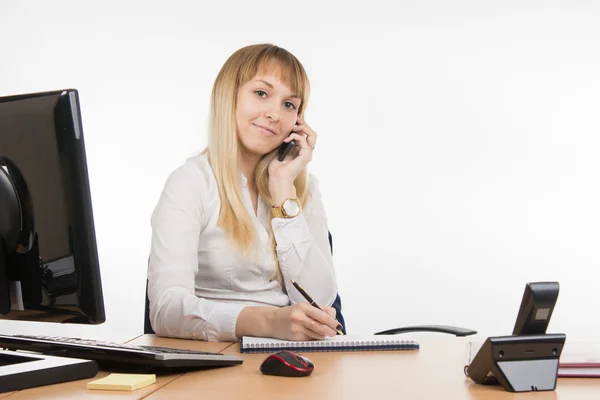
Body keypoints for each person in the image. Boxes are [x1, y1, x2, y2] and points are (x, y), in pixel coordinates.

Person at [147, 43, 342, 342]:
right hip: (216, 360)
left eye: (289, 104)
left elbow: (322, 303)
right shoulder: (191, 183)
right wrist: (265, 322)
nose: (275, 114)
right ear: (229, 96)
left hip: (295, 358)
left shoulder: (302, 188)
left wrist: (281, 190)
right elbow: (165, 309)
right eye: (261, 93)